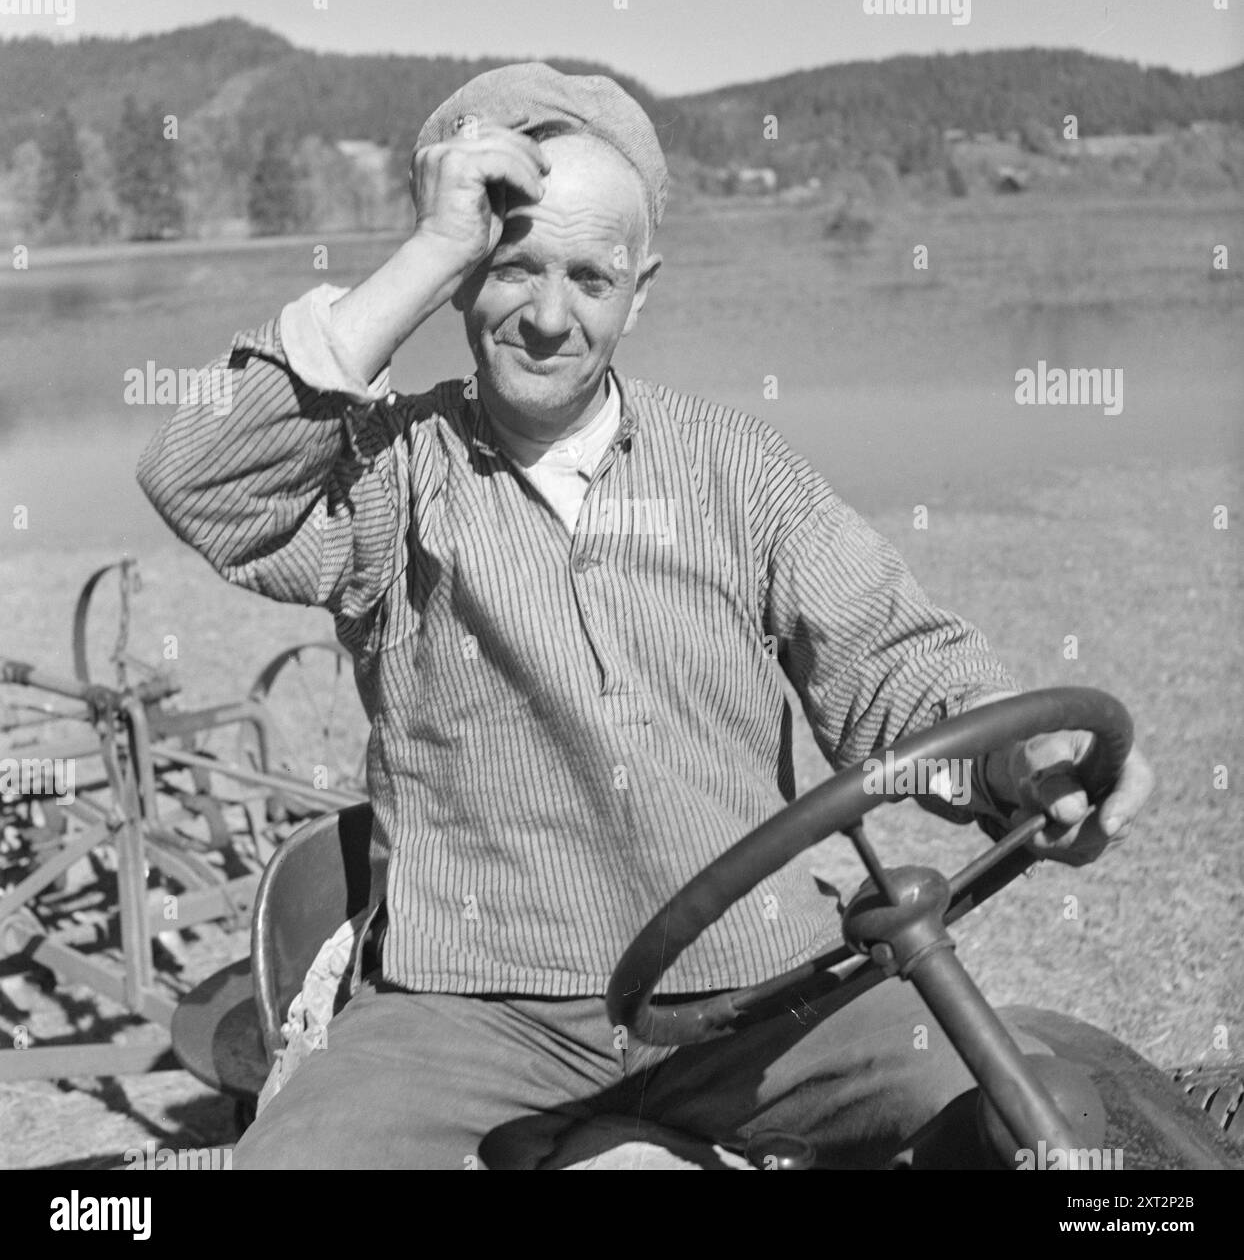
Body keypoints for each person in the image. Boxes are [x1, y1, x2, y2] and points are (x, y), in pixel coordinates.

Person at [137, 63, 1153, 1169]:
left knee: (1034, 1124)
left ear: (641, 289)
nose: (546, 315)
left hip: (764, 991)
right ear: (461, 280)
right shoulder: (387, 474)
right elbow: (200, 478)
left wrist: (1022, 759)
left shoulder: (738, 468)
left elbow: (889, 667)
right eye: (507, 266)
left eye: (589, 274)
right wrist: (425, 250)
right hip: (470, 1012)